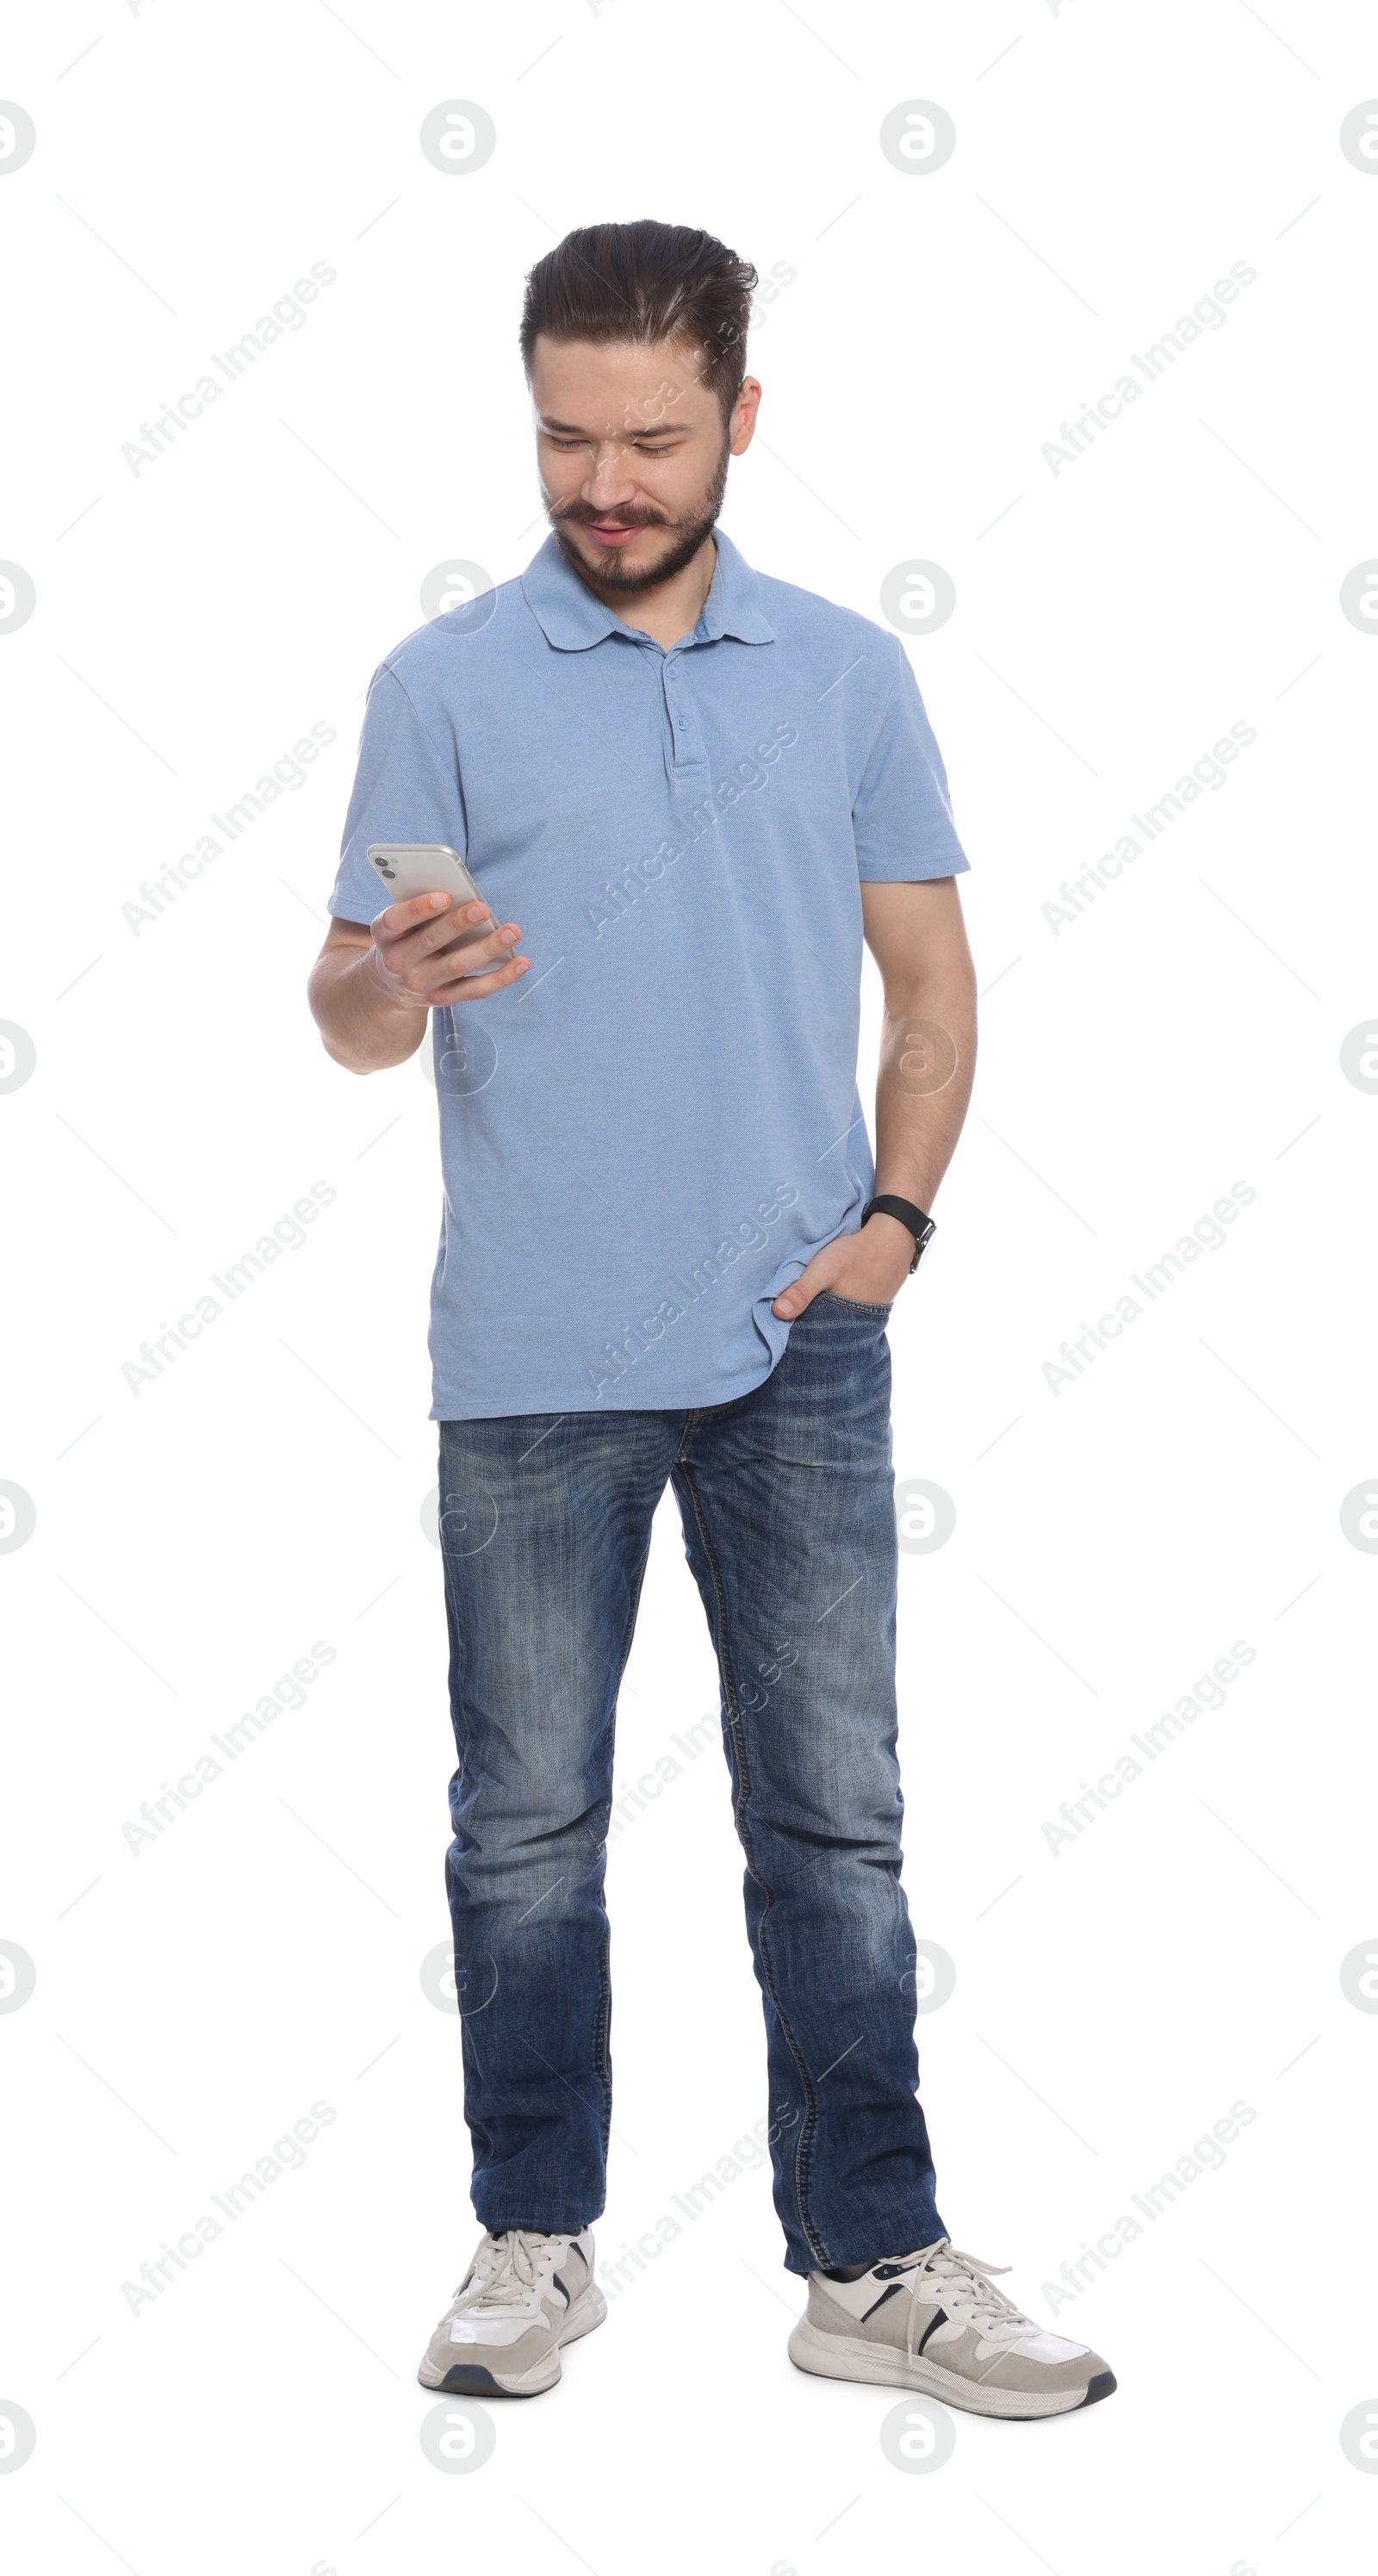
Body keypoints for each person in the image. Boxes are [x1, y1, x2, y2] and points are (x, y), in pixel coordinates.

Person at [307, 220, 1115, 2420]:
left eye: (654, 436)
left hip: (793, 1347)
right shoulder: (440, 686)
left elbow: (931, 989)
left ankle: (867, 2256)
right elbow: (344, 1019)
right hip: (535, 1353)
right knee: (524, 1821)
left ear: (740, 418)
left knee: (833, 1818)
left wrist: (895, 1224)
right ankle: (531, 2237)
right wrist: (396, 976)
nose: (607, 479)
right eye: (567, 435)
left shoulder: (846, 672)